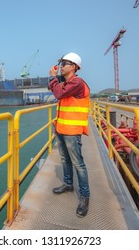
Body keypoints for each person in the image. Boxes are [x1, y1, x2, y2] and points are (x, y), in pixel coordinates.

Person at [48, 52, 90, 218]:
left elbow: (58, 94)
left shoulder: (77, 82)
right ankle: (67, 184)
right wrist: (54, 79)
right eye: (61, 62)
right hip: (61, 128)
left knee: (78, 164)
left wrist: (52, 78)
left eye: (64, 63)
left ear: (73, 66)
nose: (61, 65)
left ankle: (85, 196)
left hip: (72, 131)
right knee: (65, 159)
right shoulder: (66, 83)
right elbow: (57, 91)